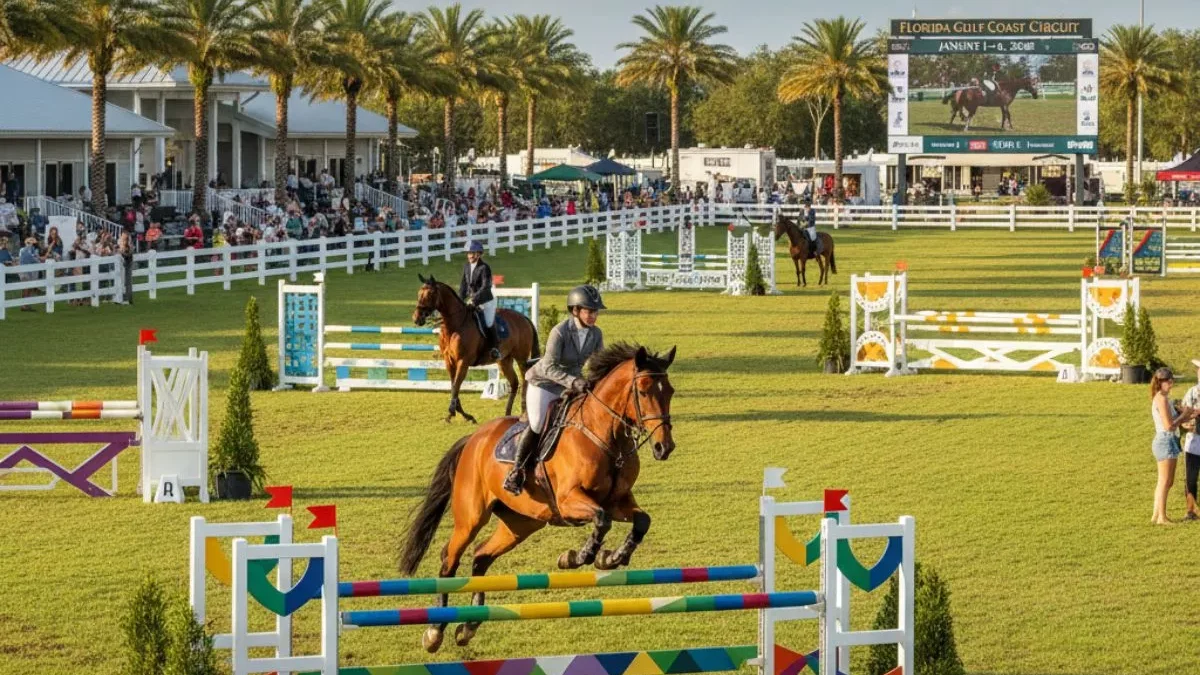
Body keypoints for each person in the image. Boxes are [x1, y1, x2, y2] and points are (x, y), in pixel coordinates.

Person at [503, 285, 606, 496]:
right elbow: (549, 368)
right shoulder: (559, 332)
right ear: (575, 310)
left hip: (570, 385)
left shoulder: (596, 334)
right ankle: (517, 471)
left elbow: (599, 363)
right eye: (589, 311)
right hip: (544, 383)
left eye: (595, 312)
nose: (593, 316)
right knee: (538, 423)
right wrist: (574, 382)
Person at [1150, 367, 1197, 525]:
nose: (1171, 383)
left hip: (1168, 440)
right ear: (1160, 382)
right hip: (1165, 440)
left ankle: (1156, 515)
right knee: (1165, 481)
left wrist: (1189, 414)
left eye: (1172, 380)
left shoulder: (1165, 398)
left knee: (1166, 482)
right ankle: (1162, 517)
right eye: (1168, 381)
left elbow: (1175, 421)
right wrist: (1184, 415)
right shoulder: (1161, 399)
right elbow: (1169, 426)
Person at [460, 241, 500, 360]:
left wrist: (474, 299)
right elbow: (463, 286)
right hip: (472, 302)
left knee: (488, 322)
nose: (470, 256)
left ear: (479, 254)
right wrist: (459, 300)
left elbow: (485, 286)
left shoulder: (484, 267)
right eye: (468, 253)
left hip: (486, 302)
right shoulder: (466, 266)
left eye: (472, 253)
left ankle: (495, 348)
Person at [1181, 360, 1200, 520]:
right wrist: (1184, 422)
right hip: (1193, 442)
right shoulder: (1192, 392)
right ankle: (1191, 510)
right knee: (1190, 479)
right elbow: (1182, 414)